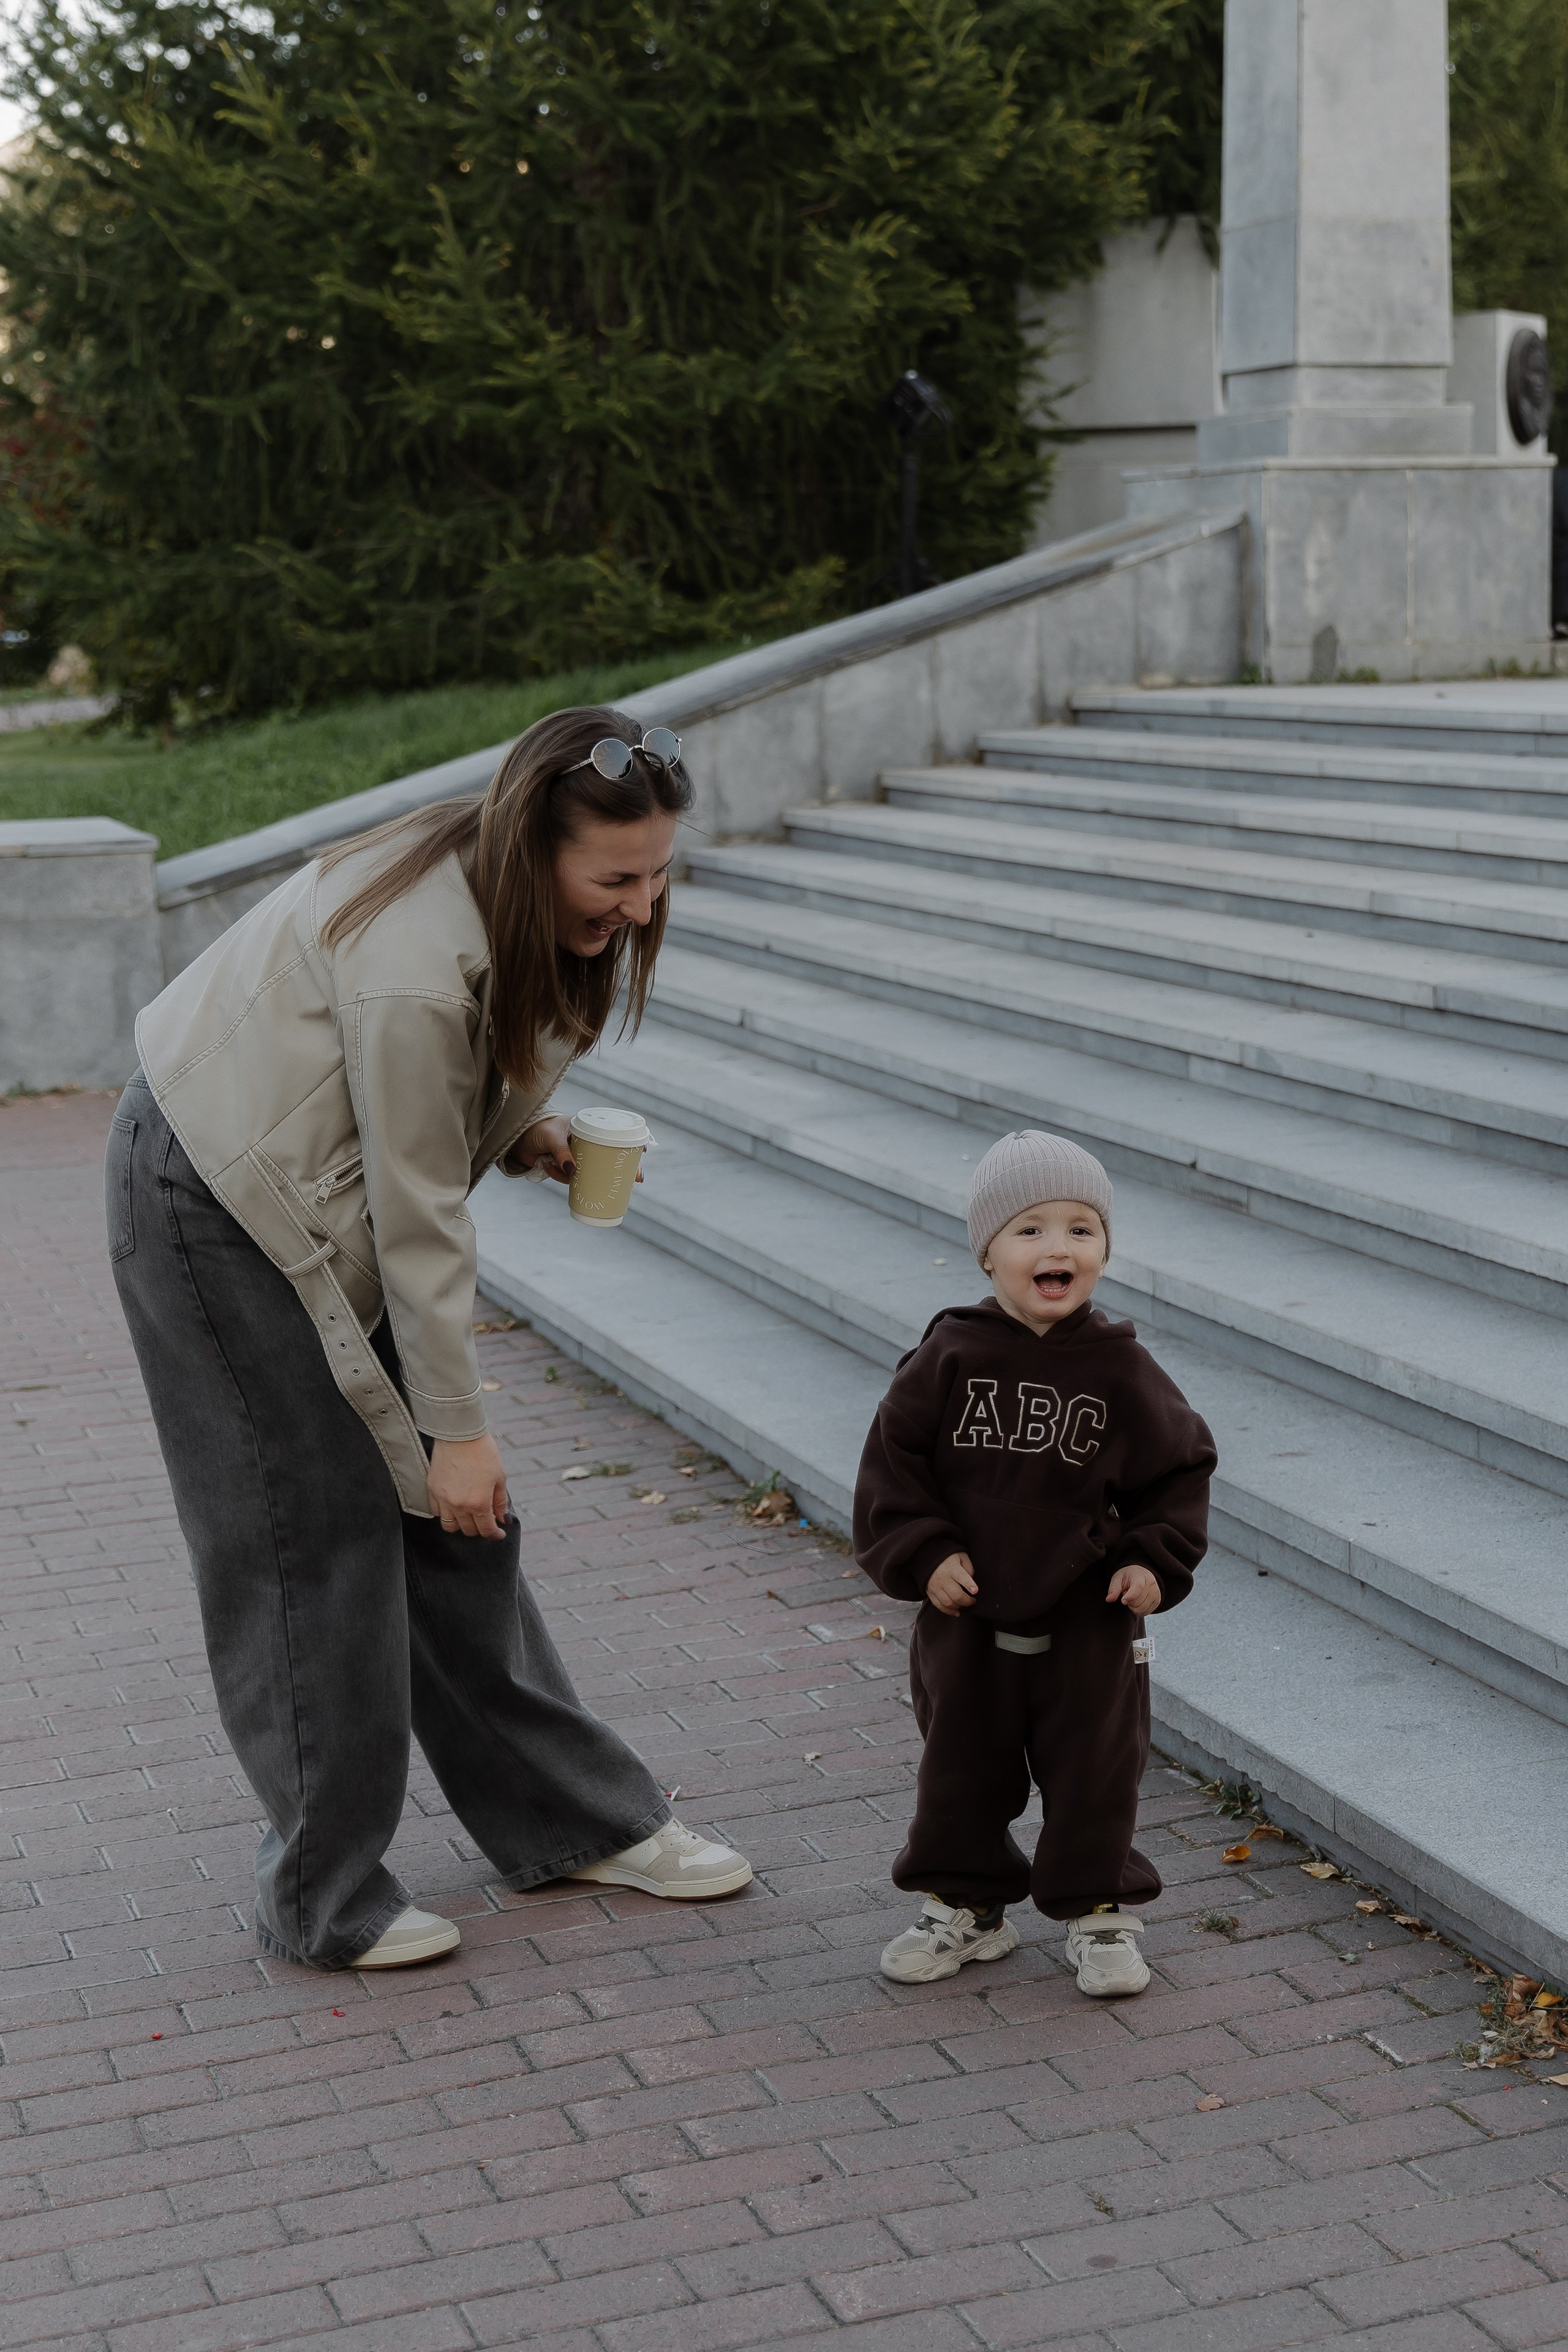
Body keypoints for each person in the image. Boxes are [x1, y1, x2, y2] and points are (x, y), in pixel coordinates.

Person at [106, 707, 752, 1970]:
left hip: (309, 1182)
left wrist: (519, 1130)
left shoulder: (498, 896)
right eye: (615, 877)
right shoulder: (417, 956)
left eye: (659, 871)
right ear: (533, 850)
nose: (640, 901)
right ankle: (322, 1898)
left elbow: (412, 1112)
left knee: (463, 1528)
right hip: (213, 1204)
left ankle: (572, 1822)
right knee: (317, 1534)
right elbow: (416, 1216)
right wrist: (454, 1430)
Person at [853, 1131, 1215, 1998]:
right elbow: (892, 1473)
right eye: (1032, 1230)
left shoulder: (1122, 1368)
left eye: (1083, 1229)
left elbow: (1178, 1473)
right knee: (960, 1772)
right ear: (988, 1251)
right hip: (967, 1623)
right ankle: (967, 1909)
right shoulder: (948, 1357)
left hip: (1088, 1622)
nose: (1059, 1247)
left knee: (1097, 1773)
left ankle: (1099, 1914)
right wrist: (925, 1552)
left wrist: (1152, 1561)